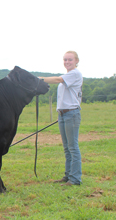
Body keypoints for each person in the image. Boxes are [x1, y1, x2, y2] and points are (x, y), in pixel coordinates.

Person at [40, 51, 83, 186]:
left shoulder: (75, 73)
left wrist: (38, 79)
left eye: (70, 60)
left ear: (76, 61)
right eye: (65, 60)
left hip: (71, 113)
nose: (67, 62)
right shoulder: (68, 76)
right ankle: (68, 175)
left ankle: (75, 179)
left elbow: (58, 79)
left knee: (72, 147)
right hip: (63, 114)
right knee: (67, 147)